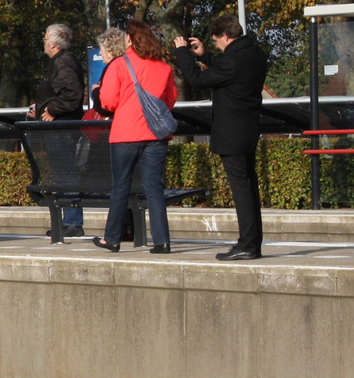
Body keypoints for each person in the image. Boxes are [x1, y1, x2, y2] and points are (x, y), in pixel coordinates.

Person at [174, 14, 270, 260]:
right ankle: (252, 242)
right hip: (248, 129)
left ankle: (247, 244)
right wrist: (205, 55)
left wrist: (183, 53)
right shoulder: (255, 55)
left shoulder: (233, 61)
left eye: (216, 41)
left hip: (232, 132)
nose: (216, 45)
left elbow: (197, 79)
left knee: (241, 190)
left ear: (225, 37)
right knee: (248, 187)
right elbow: (227, 69)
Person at [92, 19, 177, 254]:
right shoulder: (164, 67)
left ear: (129, 39)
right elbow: (169, 101)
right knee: (154, 188)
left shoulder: (120, 64)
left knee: (121, 186)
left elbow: (108, 102)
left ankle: (113, 238)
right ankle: (162, 241)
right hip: (156, 135)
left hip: (126, 134)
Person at [29, 23, 86, 236]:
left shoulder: (62, 62)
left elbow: (72, 93)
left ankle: (72, 222)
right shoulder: (62, 61)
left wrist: (52, 109)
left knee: (66, 173)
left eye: (45, 38)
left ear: (53, 43)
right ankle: (68, 221)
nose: (43, 42)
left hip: (61, 129)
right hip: (61, 127)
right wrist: (42, 107)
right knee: (64, 174)